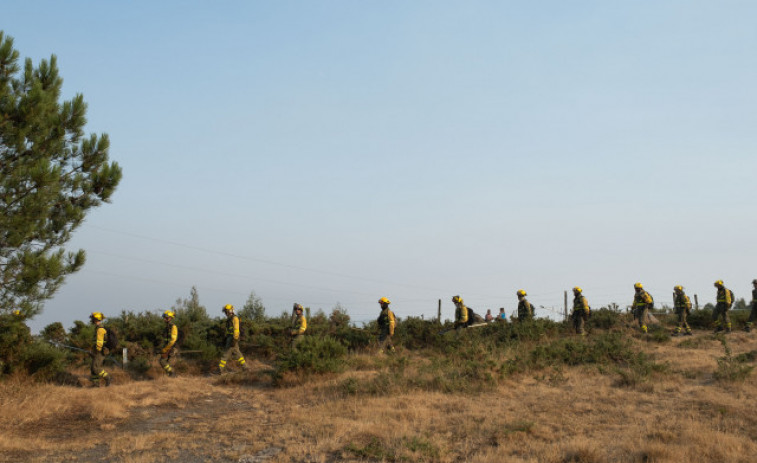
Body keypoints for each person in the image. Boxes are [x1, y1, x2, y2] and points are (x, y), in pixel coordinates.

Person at [217, 304, 247, 373]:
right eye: (225, 311)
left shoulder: (234, 318)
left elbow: (236, 330)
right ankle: (245, 368)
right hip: (230, 338)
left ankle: (220, 369)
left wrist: (234, 340)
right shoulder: (230, 319)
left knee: (226, 354)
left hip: (232, 339)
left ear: (230, 311)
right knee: (238, 354)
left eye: (226, 311)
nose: (225, 313)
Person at [89, 312, 111, 387]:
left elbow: (99, 343)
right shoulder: (99, 328)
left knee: (95, 368)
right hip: (99, 351)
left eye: (92, 318)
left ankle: (107, 378)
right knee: (93, 368)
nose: (91, 320)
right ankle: (95, 384)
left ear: (96, 319)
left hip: (99, 352)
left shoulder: (100, 329)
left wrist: (95, 351)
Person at [159, 310, 178, 376]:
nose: (164, 319)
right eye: (164, 317)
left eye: (166, 317)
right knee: (167, 363)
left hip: (171, 347)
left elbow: (173, 340)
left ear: (170, 318)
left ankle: (172, 373)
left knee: (162, 361)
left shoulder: (173, 327)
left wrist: (165, 349)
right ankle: (171, 375)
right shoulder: (167, 327)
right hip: (168, 347)